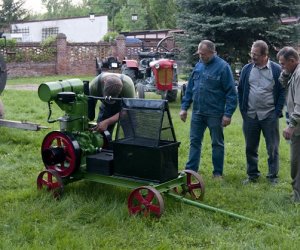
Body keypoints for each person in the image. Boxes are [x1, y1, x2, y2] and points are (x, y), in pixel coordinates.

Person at [179, 40, 237, 178]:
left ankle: (217, 173)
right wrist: (184, 108)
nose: (201, 57)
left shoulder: (223, 68)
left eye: (203, 54)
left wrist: (228, 114)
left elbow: (231, 93)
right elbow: (190, 89)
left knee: (217, 143)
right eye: (199, 54)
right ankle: (191, 171)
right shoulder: (198, 66)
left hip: (215, 113)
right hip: (198, 112)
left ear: (212, 52)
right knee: (194, 142)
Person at [238, 40, 285, 184]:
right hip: (250, 115)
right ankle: (252, 175)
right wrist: (243, 110)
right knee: (250, 147)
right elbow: (240, 89)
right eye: (252, 53)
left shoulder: (276, 70)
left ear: (265, 55)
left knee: (272, 148)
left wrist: (277, 112)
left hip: (269, 115)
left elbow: (282, 91)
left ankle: (273, 176)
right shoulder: (247, 69)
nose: (253, 56)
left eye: (256, 54)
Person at [277, 46, 300, 202]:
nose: (281, 66)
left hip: (298, 126)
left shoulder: (299, 75)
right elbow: (282, 83)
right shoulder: (293, 73)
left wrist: (291, 125)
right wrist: (285, 72)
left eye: (283, 64)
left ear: (292, 61)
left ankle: (297, 197)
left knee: (296, 163)